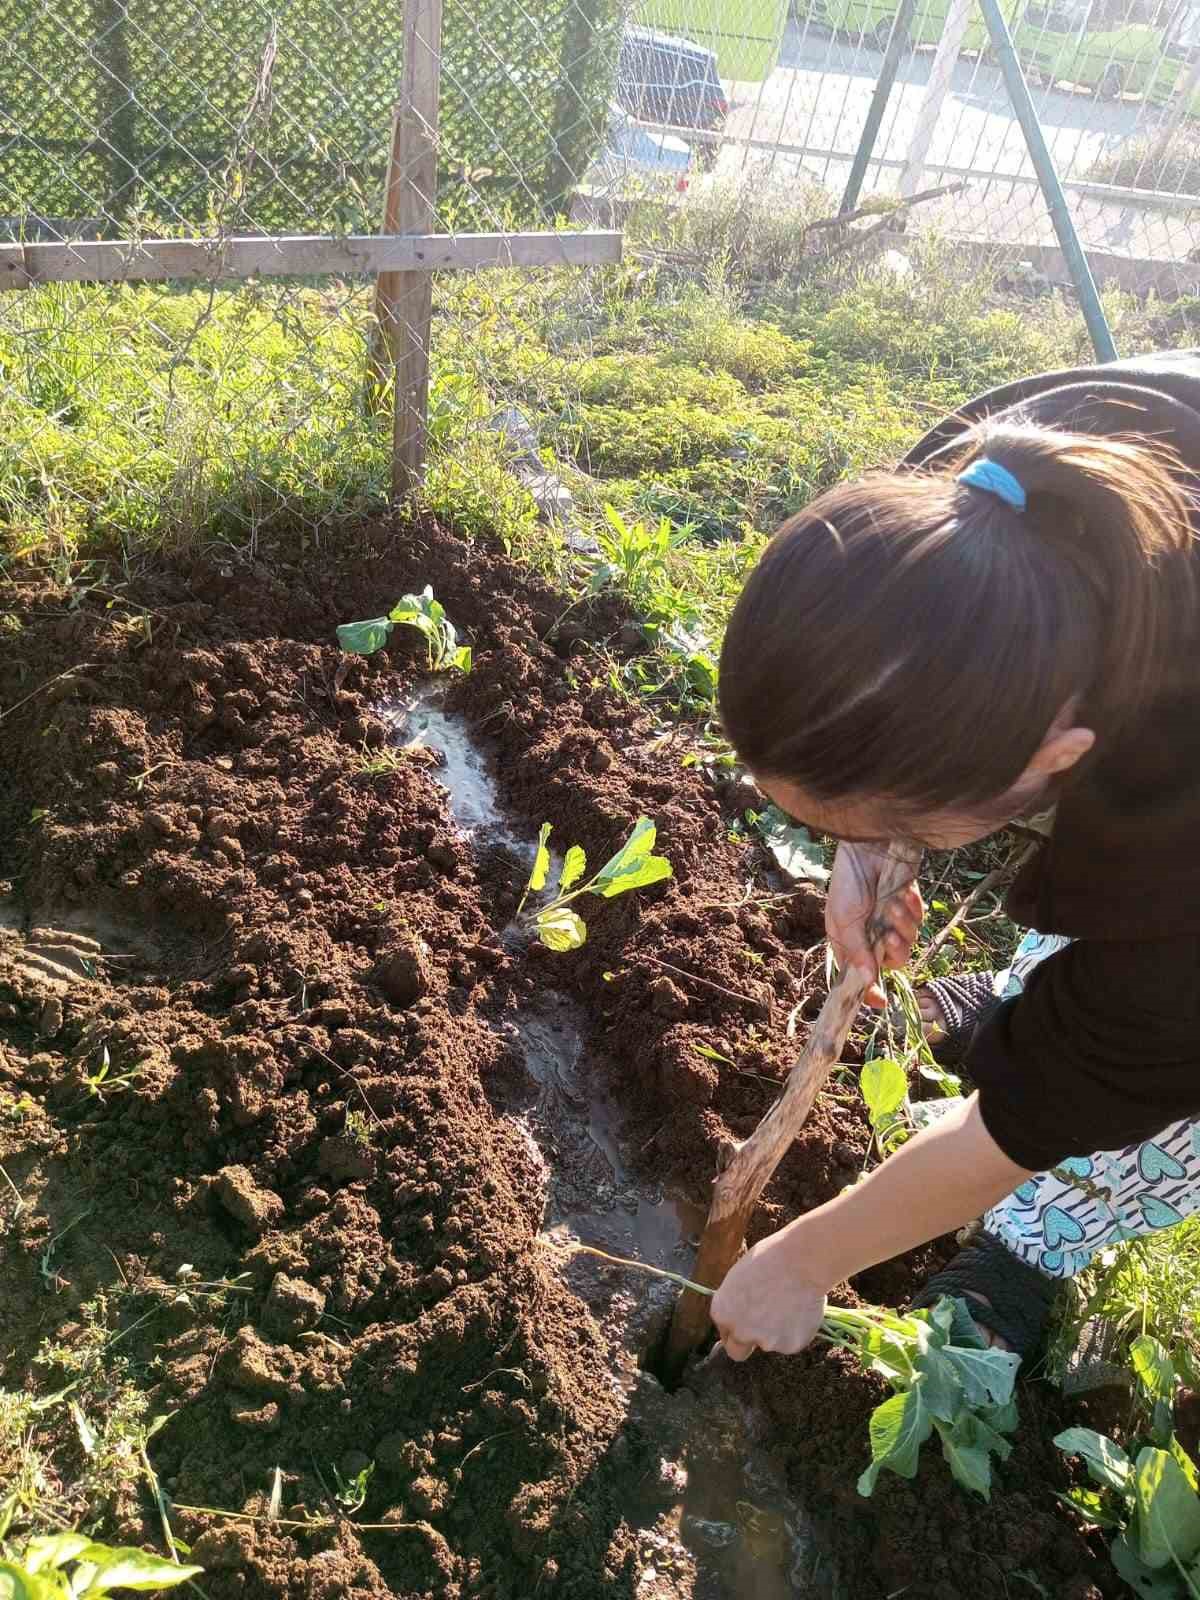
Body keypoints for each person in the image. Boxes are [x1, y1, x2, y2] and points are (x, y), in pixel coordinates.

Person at [710, 352, 1200, 1362]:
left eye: (920, 825)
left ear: (1063, 756)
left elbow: (1068, 1090)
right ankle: (1031, 998)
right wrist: (865, 849)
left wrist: (804, 1258)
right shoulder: (981, 504)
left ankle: (1036, 1245)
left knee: (1159, 1090)